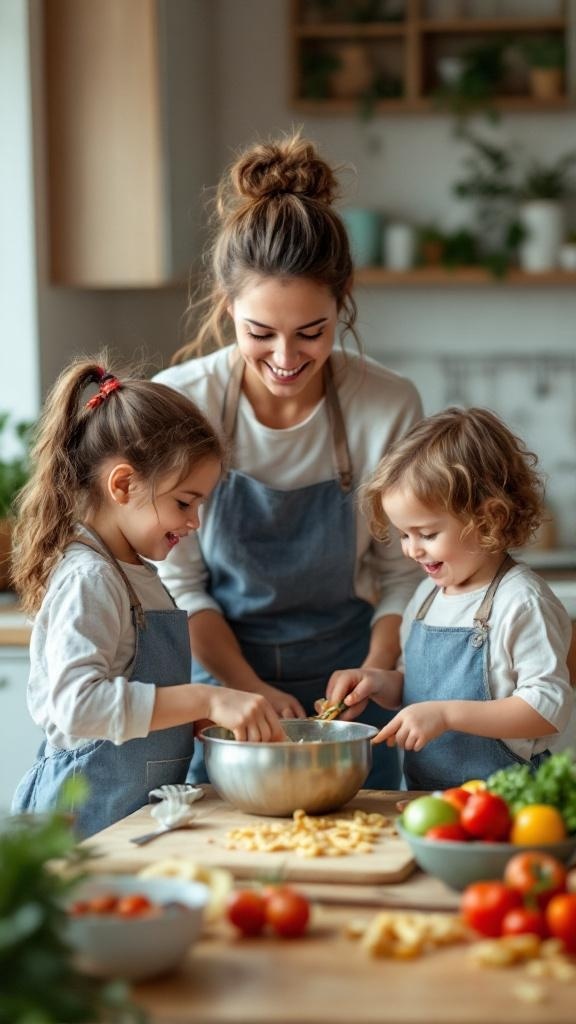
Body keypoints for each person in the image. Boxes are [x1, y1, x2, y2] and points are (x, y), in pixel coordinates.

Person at [153, 132, 423, 788]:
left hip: (352, 689)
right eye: (259, 333)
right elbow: (181, 585)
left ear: (343, 303)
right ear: (227, 307)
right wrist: (243, 690)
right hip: (220, 689)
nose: (284, 358)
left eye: (312, 333)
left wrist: (378, 668)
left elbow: (401, 573)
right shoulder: (182, 403)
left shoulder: (385, 404)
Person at [11, 356, 285, 838]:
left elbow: (134, 688)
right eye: (184, 502)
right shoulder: (91, 578)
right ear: (123, 484)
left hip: (131, 822)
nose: (194, 522)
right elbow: (77, 706)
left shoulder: (139, 573)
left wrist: (194, 716)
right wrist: (205, 696)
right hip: (81, 828)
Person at [324, 406, 575, 791]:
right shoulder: (427, 595)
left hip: (509, 807)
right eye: (404, 535)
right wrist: (377, 681)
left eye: (425, 534)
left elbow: (545, 708)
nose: (411, 550)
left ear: (488, 519)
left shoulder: (521, 601)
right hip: (430, 801)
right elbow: (416, 687)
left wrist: (447, 715)